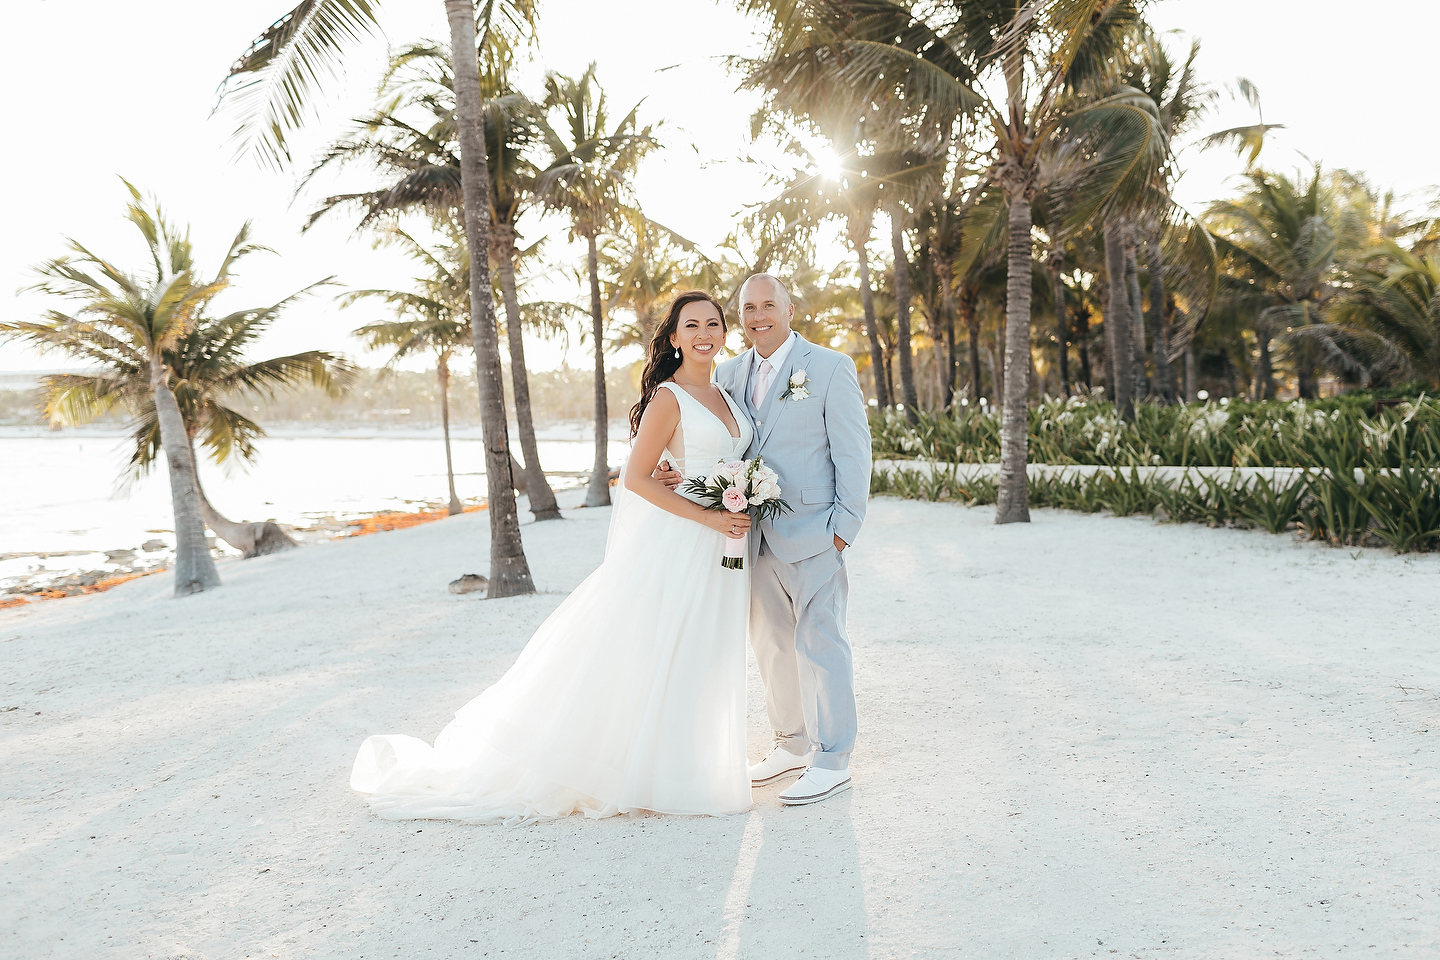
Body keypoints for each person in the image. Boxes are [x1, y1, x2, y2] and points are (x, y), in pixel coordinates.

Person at [350, 291, 754, 822]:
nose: (704, 333)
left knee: (706, 651)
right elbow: (634, 479)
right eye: (692, 325)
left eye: (713, 324)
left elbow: (709, 462)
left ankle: (695, 764)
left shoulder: (729, 394)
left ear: (724, 332)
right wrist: (706, 515)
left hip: (726, 544)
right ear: (674, 338)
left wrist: (723, 493)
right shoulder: (668, 398)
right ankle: (655, 774)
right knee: (667, 650)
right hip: (685, 541)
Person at [657, 273, 870, 806]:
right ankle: (792, 743)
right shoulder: (727, 373)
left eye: (768, 306)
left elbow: (854, 455)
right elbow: (715, 445)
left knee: (821, 643)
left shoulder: (829, 368)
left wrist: (842, 532)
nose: (758, 317)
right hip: (751, 538)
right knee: (771, 645)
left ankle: (833, 756)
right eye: (748, 308)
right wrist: (677, 475)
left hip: (816, 535)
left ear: (790, 309)